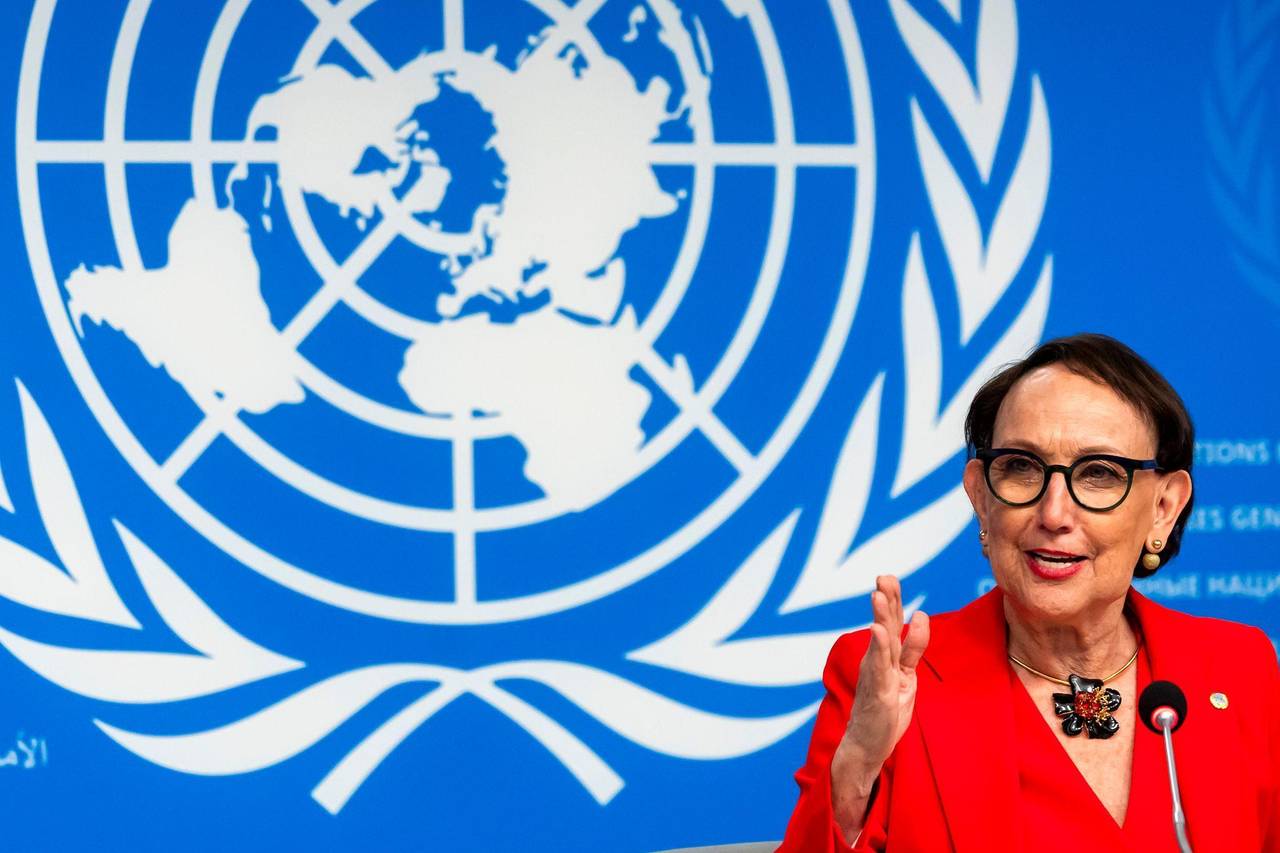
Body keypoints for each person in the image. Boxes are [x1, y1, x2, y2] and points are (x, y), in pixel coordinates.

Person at [779, 334, 1280, 851]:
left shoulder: (1237, 669)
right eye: (1021, 467)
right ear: (981, 496)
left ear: (1163, 508)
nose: (1054, 514)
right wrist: (858, 767)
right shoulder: (893, 679)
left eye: (1099, 474)